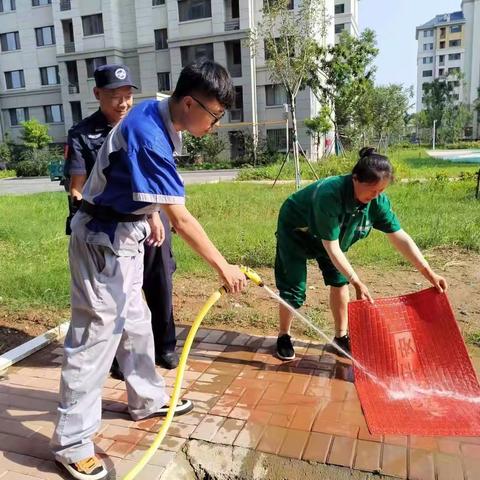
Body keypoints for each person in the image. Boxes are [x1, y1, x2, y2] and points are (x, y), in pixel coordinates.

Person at [51, 59, 247, 480]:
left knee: (137, 322)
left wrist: (148, 212)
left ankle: (146, 399)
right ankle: (71, 442)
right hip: (101, 238)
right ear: (190, 103)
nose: (214, 124)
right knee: (94, 339)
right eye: (214, 115)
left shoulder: (160, 112)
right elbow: (184, 220)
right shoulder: (149, 136)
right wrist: (223, 267)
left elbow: (136, 183)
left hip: (127, 232)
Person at [274, 147, 448, 361]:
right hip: (297, 231)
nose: (375, 196)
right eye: (372, 190)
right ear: (355, 178)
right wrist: (357, 281)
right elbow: (332, 247)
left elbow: (399, 236)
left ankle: (340, 337)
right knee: (294, 286)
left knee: (339, 281)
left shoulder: (376, 201)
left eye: (380, 191)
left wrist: (429, 273)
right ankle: (284, 335)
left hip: (331, 238)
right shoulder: (330, 194)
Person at [63, 64, 179, 375]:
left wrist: (155, 215)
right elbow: (78, 188)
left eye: (128, 96)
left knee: (160, 279)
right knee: (111, 298)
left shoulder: (143, 125)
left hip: (149, 217)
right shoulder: (82, 135)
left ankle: (165, 346)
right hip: (107, 227)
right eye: (115, 96)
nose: (123, 103)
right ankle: (116, 357)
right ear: (97, 94)